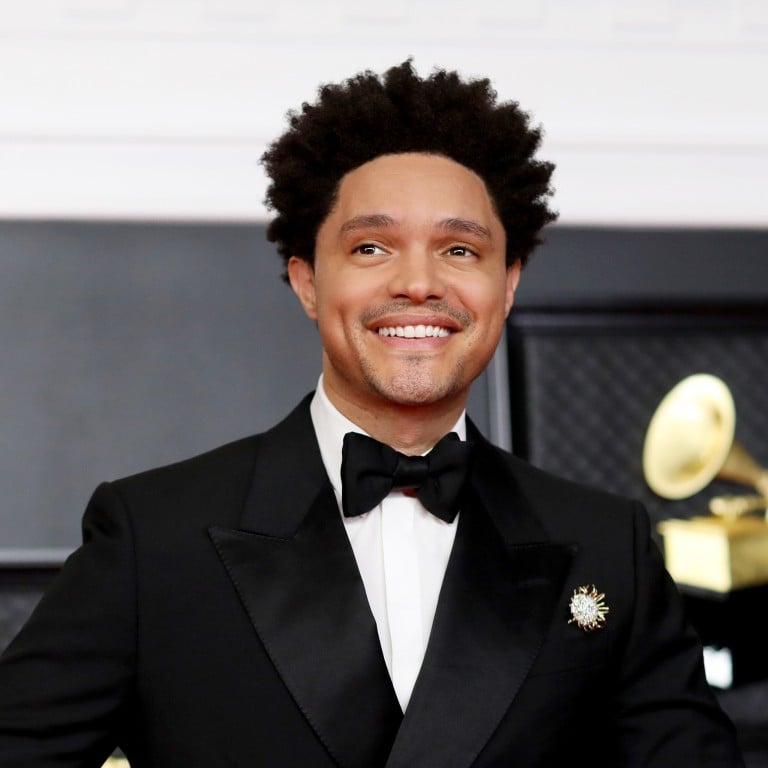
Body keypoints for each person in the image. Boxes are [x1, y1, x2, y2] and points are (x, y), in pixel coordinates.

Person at [0, 60, 745, 767]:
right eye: (370, 247)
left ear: (507, 283)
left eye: (459, 250)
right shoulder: (152, 536)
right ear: (307, 282)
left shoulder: (606, 545)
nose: (419, 283)